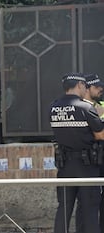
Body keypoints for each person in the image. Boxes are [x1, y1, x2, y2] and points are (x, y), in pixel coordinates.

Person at [50, 73, 104, 233]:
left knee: (64, 209)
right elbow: (100, 135)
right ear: (80, 85)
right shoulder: (85, 108)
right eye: (85, 86)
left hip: (65, 165)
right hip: (87, 166)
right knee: (90, 209)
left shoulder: (53, 107)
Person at [74, 73, 104, 233]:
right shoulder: (79, 107)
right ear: (87, 88)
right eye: (97, 87)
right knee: (86, 200)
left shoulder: (101, 105)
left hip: (101, 156)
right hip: (89, 159)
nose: (101, 89)